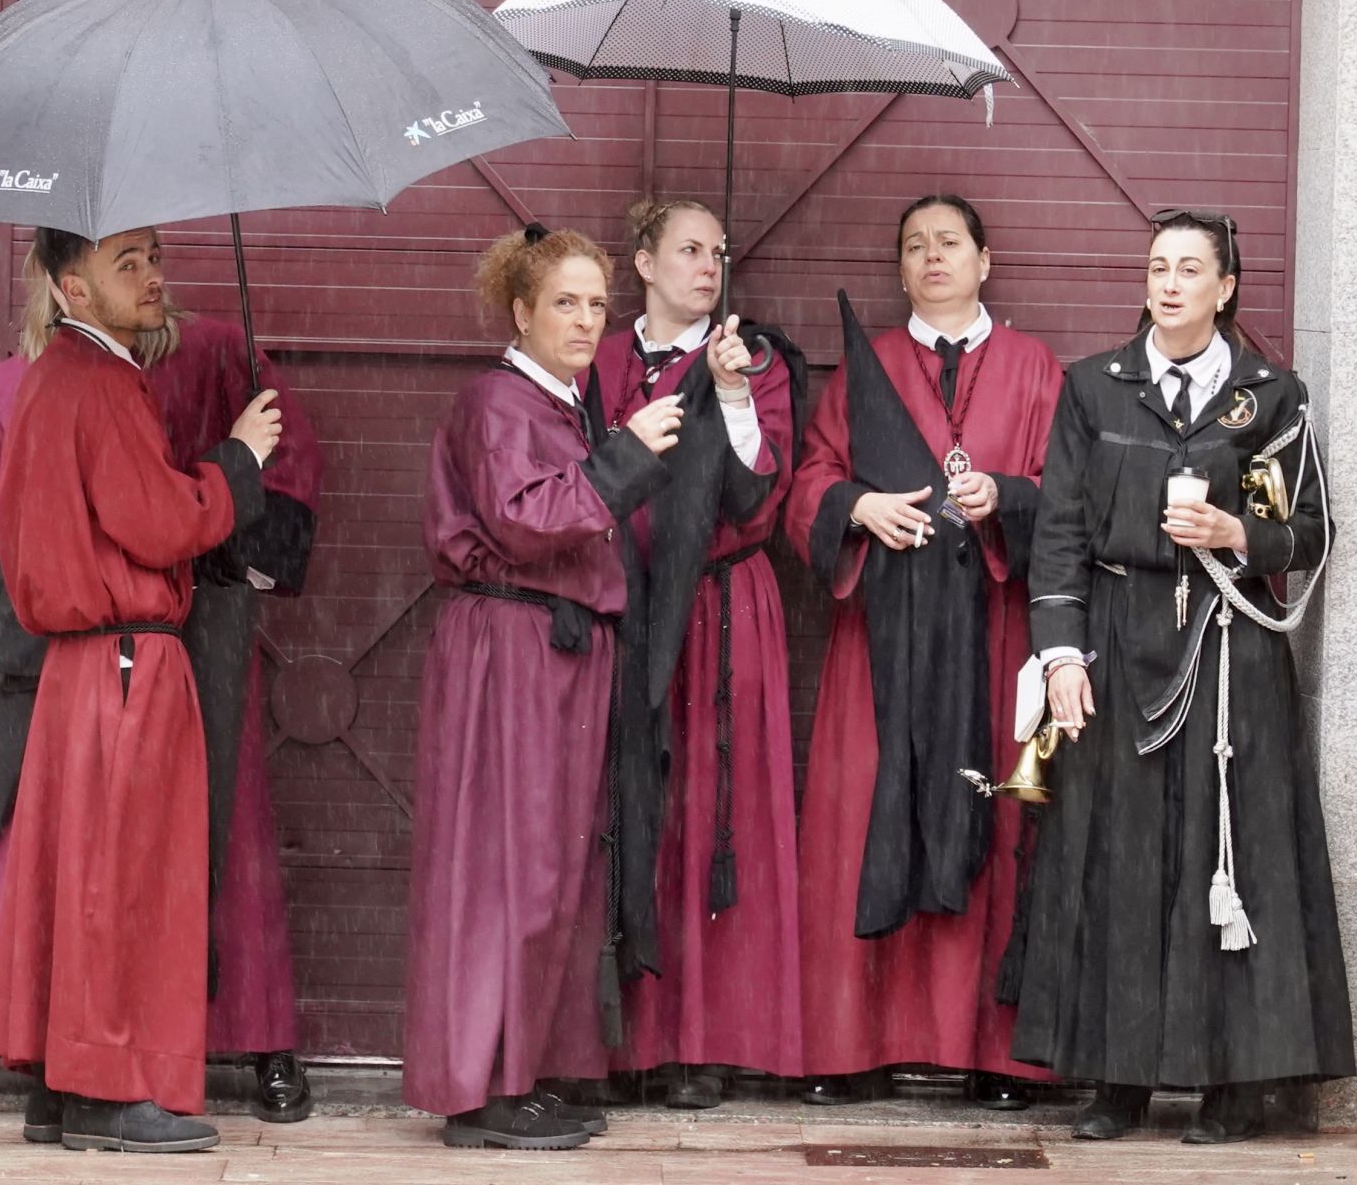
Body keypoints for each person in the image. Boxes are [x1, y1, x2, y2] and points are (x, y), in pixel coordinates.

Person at [0, 248, 323, 1135]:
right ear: (72, 285)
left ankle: (62, 1087)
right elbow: (159, 522)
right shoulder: (100, 383)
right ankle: (107, 1094)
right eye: (128, 261)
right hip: (124, 655)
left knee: (77, 873)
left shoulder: (54, 378)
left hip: (79, 661)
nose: (154, 275)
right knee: (121, 877)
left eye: (155, 257)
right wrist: (238, 460)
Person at [1010, 208, 1354, 1143]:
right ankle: (1115, 1083)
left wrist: (1239, 533)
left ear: (1225, 287)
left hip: (1230, 647)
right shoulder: (1094, 388)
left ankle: (1231, 1087)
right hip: (1116, 646)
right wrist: (1061, 654)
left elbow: (1313, 530)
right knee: (1116, 856)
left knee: (1227, 849)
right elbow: (1060, 533)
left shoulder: (1270, 397)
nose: (1169, 283)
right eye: (1158, 266)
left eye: (1190, 269)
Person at [401, 224, 681, 1149]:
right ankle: (479, 1090)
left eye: (598, 303)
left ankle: (521, 1071)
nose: (587, 319)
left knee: (552, 866)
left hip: (554, 649)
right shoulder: (497, 401)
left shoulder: (562, 407)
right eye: (565, 301)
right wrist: (628, 453)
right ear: (520, 311)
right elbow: (525, 520)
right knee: (502, 864)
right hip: (510, 649)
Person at [784, 195, 1063, 1110]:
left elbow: (1068, 490)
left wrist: (1007, 499)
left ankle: (996, 1055)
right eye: (914, 245)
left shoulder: (1032, 367)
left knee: (997, 817)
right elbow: (814, 475)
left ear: (985, 260)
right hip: (884, 636)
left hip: (991, 628)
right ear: (900, 270)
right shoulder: (866, 366)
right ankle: (852, 1046)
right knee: (863, 814)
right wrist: (858, 508)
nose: (932, 257)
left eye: (949, 242)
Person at [586, 199, 805, 1109]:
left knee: (707, 810)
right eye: (688, 250)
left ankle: (697, 1042)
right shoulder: (596, 356)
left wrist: (731, 393)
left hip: (717, 610)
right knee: (617, 809)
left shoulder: (749, 358)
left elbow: (759, 497)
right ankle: (615, 1042)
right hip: (613, 611)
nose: (709, 265)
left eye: (719, 251)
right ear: (643, 261)